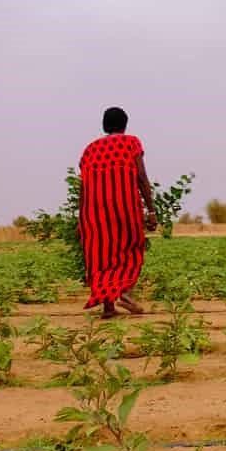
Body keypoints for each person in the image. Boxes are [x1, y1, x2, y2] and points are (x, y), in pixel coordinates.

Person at [78, 107, 157, 318]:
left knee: (102, 256)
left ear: (104, 125)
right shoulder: (131, 143)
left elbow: (83, 186)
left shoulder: (90, 150)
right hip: (125, 208)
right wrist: (151, 209)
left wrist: (81, 217)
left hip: (94, 213)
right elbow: (141, 176)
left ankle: (108, 307)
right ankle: (126, 293)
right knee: (129, 251)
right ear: (125, 125)